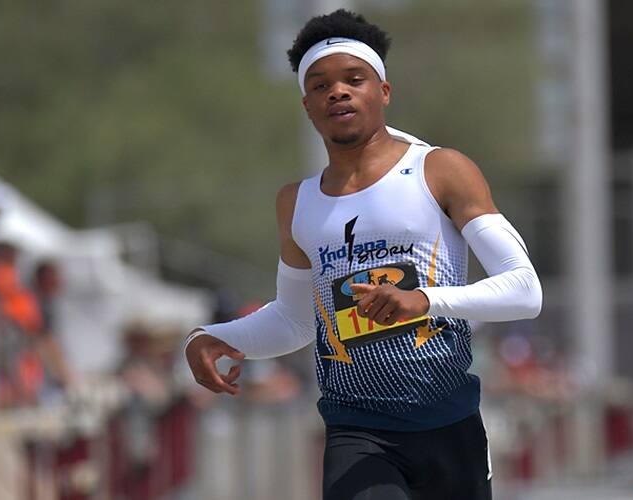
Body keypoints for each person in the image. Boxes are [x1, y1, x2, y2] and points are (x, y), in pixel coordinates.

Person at [185, 9, 542, 500]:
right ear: (307, 105)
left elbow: (525, 290)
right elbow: (296, 321)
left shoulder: (440, 170)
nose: (338, 92)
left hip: (449, 420)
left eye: (354, 80)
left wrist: (425, 300)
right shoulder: (297, 202)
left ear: (384, 91)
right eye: (321, 86)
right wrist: (212, 337)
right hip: (355, 429)